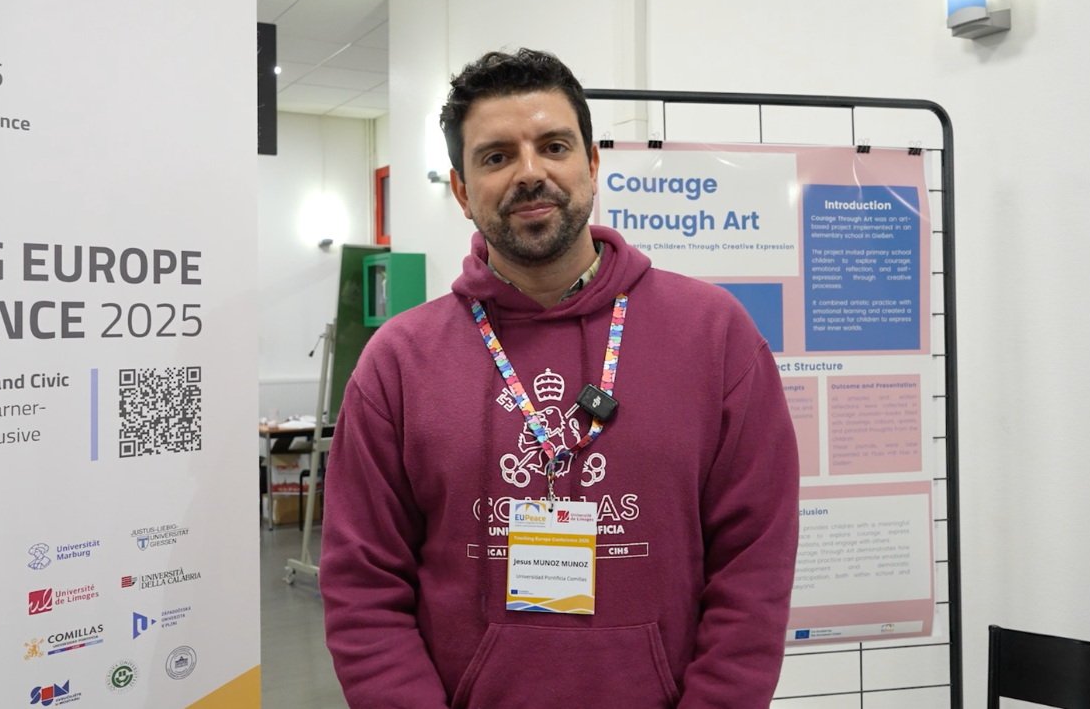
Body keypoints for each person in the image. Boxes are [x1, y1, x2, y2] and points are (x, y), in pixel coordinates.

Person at [321, 48, 800, 709]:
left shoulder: (715, 336)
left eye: (553, 145)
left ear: (592, 164)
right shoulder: (398, 363)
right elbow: (362, 587)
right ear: (461, 190)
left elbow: (755, 565)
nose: (530, 172)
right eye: (495, 156)